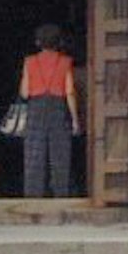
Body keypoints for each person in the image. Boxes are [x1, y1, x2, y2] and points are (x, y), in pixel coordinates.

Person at [19, 21, 83, 199]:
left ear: (38, 42)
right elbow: (69, 92)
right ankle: (60, 195)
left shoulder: (29, 62)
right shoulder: (65, 62)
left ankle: (33, 196)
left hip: (36, 108)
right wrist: (75, 120)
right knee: (60, 155)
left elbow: (24, 92)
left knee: (34, 156)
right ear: (59, 42)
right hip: (58, 108)